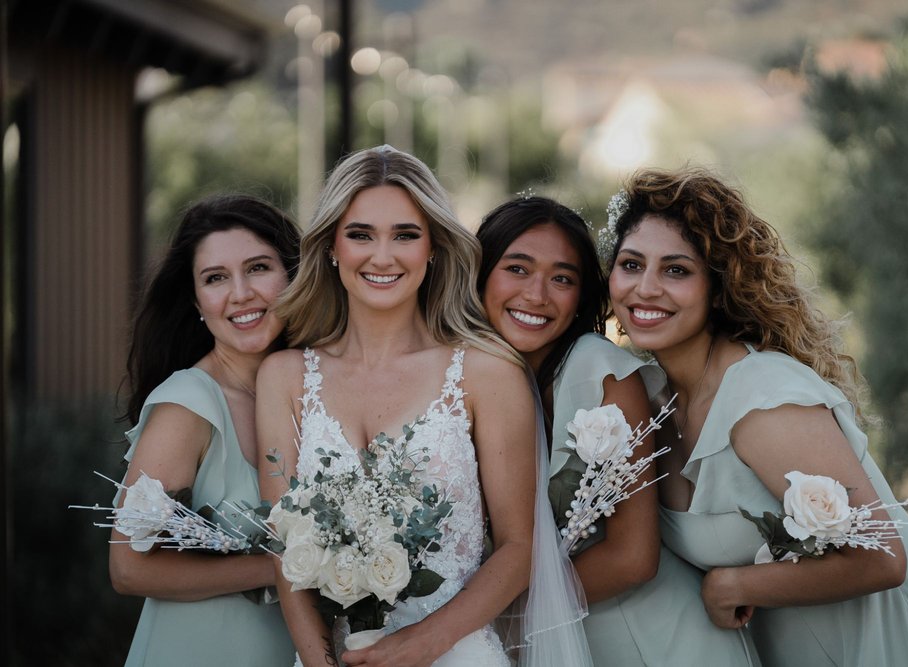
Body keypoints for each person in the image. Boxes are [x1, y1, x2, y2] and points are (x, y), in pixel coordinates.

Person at [605, 167, 908, 666]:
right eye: (631, 264)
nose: (645, 288)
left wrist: (734, 585)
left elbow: (883, 559)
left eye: (676, 270)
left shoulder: (762, 396)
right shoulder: (653, 402)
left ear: (717, 287)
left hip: (895, 643)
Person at [257, 146, 589, 667]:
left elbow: (518, 549)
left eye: (405, 235)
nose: (382, 256)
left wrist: (420, 645)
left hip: (455, 653)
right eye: (360, 234)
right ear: (331, 247)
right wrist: (322, 663)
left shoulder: (486, 374)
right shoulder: (284, 377)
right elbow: (284, 546)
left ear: (433, 247)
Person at [477, 195, 759, 666]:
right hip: (561, 642)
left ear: (581, 296)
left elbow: (633, 558)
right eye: (517, 269)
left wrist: (484, 618)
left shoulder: (602, 373)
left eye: (562, 278)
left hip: (654, 640)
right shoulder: (470, 381)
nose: (537, 295)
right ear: (480, 274)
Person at [109, 194, 301, 666]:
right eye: (216, 278)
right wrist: (286, 568)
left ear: (294, 275)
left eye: (258, 268)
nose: (241, 293)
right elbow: (129, 568)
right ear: (197, 301)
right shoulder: (188, 404)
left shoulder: (312, 392)